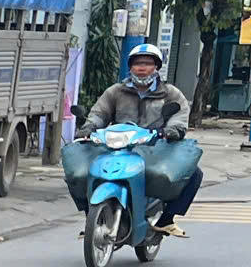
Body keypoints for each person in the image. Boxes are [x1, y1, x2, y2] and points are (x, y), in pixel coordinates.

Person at [81, 41, 202, 229]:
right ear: (130, 67)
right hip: (118, 146)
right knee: (80, 172)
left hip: (157, 147)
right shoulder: (115, 92)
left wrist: (171, 130)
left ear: (156, 68)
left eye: (147, 64)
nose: (142, 68)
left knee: (193, 174)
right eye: (138, 64)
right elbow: (99, 113)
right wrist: (88, 128)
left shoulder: (170, 93)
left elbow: (179, 116)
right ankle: (91, 218)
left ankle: (167, 219)